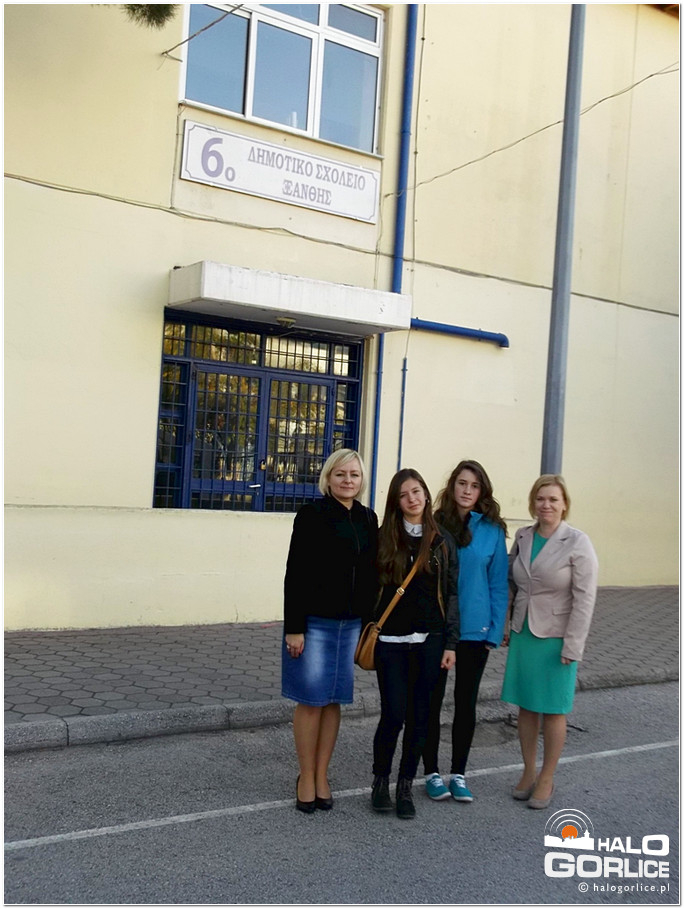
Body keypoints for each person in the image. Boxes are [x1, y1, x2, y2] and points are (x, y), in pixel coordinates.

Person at [282, 449, 378, 813]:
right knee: (311, 701)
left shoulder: (368, 518)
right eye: (341, 474)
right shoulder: (312, 515)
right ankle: (305, 776)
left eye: (354, 474)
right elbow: (295, 573)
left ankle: (322, 774)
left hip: (351, 626)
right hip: (314, 624)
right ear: (328, 478)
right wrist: (294, 628)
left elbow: (372, 575)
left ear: (361, 479)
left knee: (334, 700)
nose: (348, 480)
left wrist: (370, 624)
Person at [501, 474, 599, 809]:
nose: (546, 505)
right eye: (541, 499)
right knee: (526, 705)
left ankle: (547, 777)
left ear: (564, 504)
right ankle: (528, 770)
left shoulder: (577, 542)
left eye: (553, 499)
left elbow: (585, 598)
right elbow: (513, 583)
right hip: (524, 633)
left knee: (554, 709)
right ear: (533, 502)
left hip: (557, 638)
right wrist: (506, 623)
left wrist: (574, 645)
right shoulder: (524, 537)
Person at [370, 468, 460, 819]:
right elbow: (369, 589)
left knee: (420, 716)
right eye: (404, 494)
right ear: (396, 501)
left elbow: (451, 594)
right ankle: (380, 782)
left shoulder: (441, 541)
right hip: (390, 641)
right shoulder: (383, 537)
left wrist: (450, 643)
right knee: (393, 715)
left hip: (430, 641)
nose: (412, 498)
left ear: (425, 494)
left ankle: (405, 785)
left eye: (417, 491)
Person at [422, 459, 508, 802]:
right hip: (440, 628)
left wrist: (494, 632)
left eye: (474, 485)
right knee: (431, 702)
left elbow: (498, 584)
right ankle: (431, 772)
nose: (467, 490)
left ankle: (458, 774)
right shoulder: (434, 523)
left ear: (482, 491)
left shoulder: (492, 530)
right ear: (452, 486)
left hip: (475, 629)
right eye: (462, 483)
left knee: (466, 703)